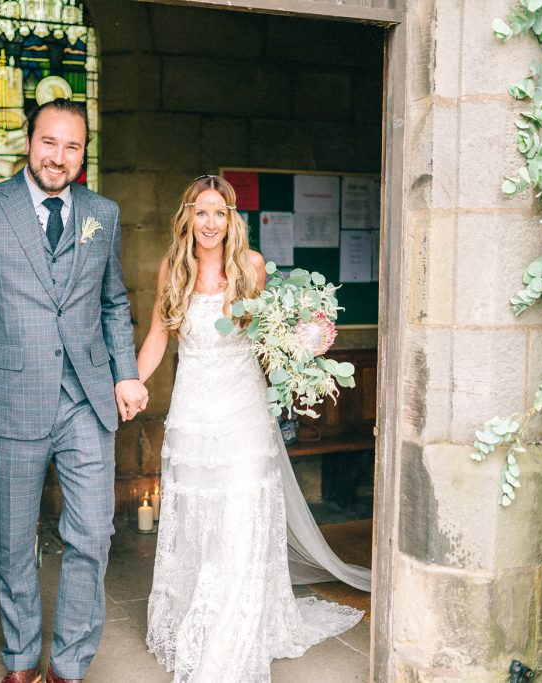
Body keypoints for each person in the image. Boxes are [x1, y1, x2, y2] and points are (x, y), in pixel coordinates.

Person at [0, 98, 148, 683]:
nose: (59, 156)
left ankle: (68, 667)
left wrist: (125, 372)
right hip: (11, 400)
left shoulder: (102, 212)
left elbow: (113, 302)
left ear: (83, 153)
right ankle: (22, 661)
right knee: (13, 543)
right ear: (29, 142)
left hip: (86, 399)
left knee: (92, 535)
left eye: (72, 146)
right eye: (49, 142)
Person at [138, 175, 371, 682]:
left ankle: (234, 633)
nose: (210, 222)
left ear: (232, 218)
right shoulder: (173, 269)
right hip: (194, 413)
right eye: (201, 212)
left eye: (219, 212)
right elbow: (159, 334)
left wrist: (299, 356)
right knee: (201, 519)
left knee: (241, 516)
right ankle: (198, 617)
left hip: (244, 412)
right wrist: (133, 382)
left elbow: (271, 337)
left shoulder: (251, 267)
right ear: (187, 217)